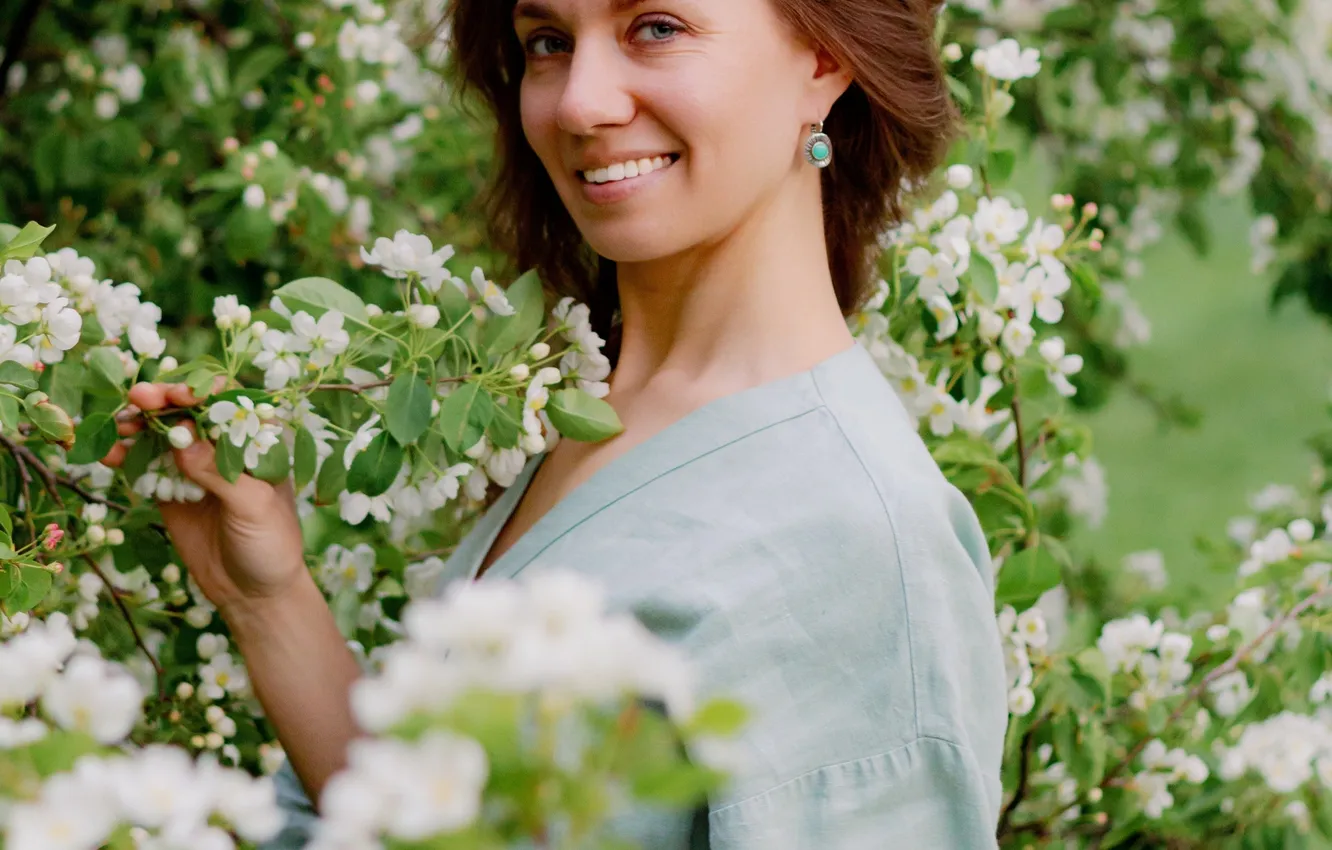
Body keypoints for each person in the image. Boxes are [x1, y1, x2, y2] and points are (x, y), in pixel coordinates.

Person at [108, 0, 1008, 846]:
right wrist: (267, 601)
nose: (580, 101)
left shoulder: (860, 546)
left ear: (825, 53)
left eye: (655, 27)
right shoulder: (583, 410)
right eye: (548, 40)